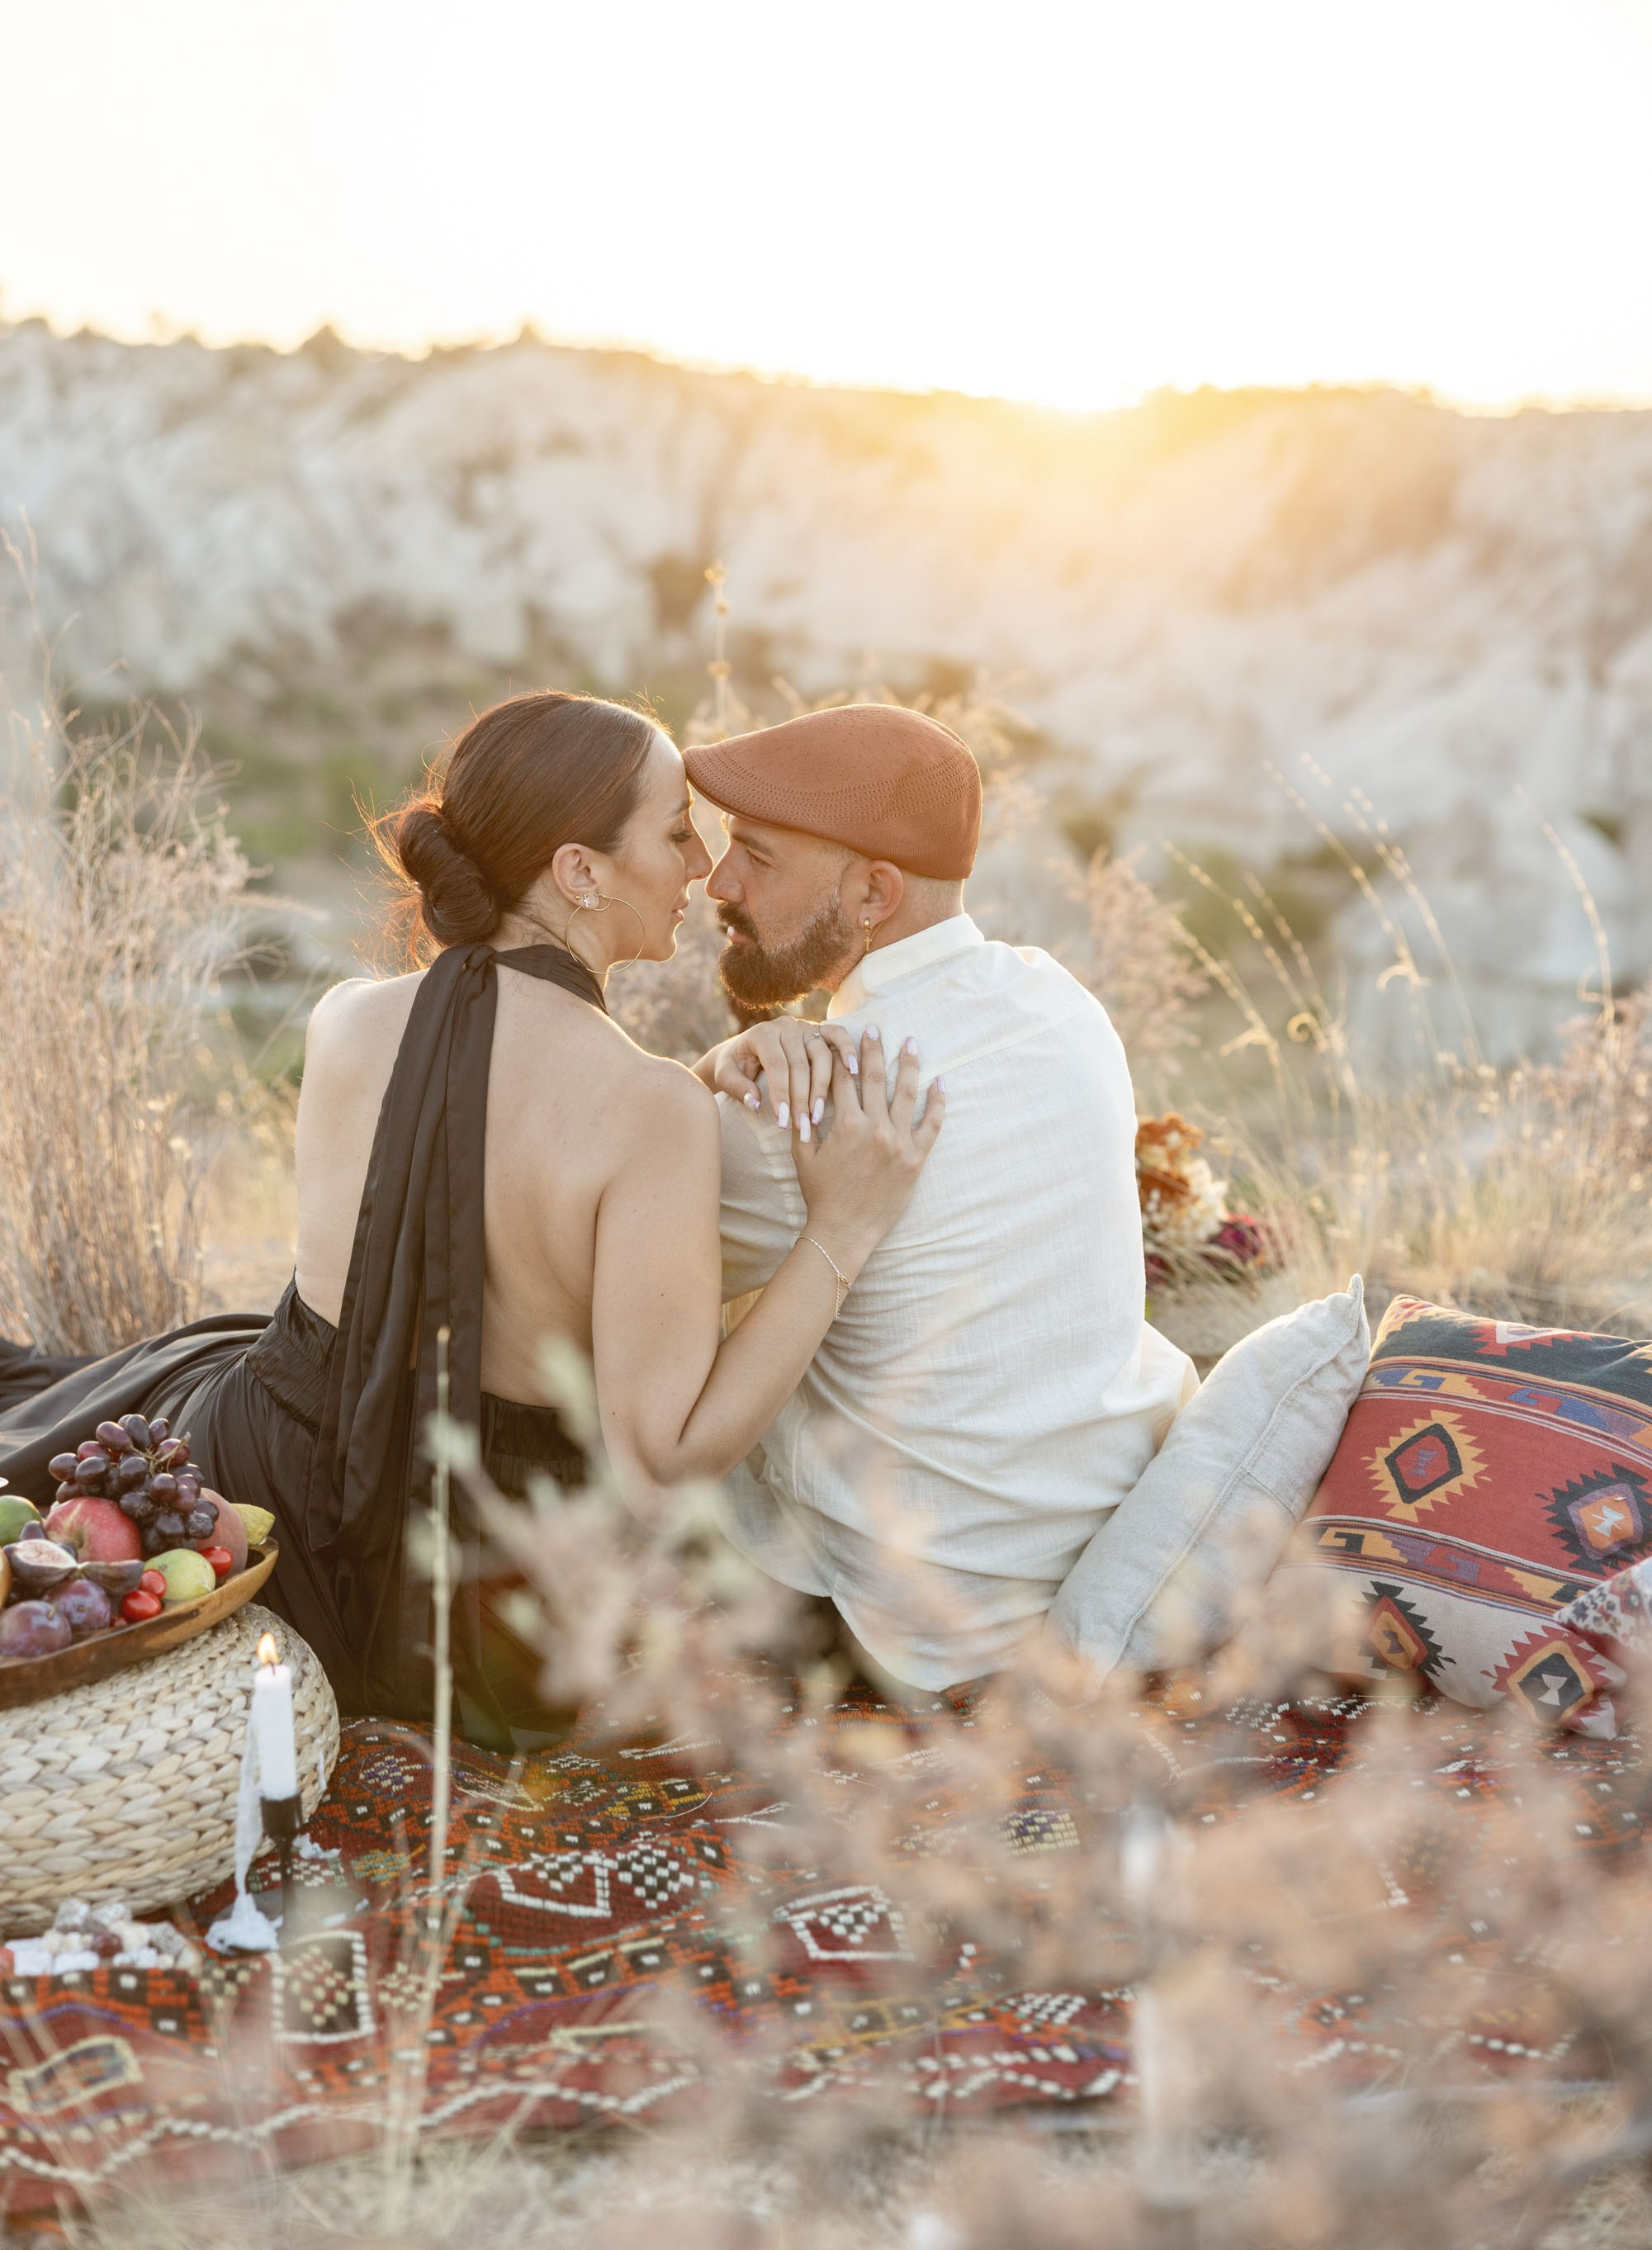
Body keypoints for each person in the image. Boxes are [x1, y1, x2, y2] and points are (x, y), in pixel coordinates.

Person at [0, 692, 941, 1743]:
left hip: (269, 1497)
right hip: (479, 1601)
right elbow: (663, 1460)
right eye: (677, 831)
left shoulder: (347, 1018)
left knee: (145, 1374)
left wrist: (691, 1085)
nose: (699, 865)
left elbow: (483, 1126)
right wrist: (842, 1230)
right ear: (578, 871)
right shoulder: (647, 1113)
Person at [680, 703, 1195, 1694]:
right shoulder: (1062, 1004)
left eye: (759, 855)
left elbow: (597, 1254)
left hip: (919, 1620)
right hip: (1075, 1541)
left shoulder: (819, 1100)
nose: (719, 883)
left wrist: (709, 1073)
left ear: (875, 892)